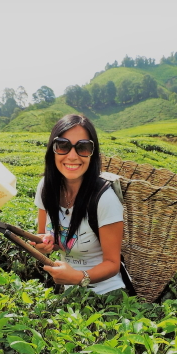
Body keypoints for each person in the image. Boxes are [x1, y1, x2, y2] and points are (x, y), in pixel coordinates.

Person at [31, 114, 125, 295]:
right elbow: (45, 236)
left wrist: (79, 277)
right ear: (53, 149)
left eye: (83, 147)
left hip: (107, 293)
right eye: (63, 145)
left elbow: (113, 264)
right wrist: (46, 244)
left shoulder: (105, 198)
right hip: (71, 292)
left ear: (92, 153)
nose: (72, 156)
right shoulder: (45, 188)